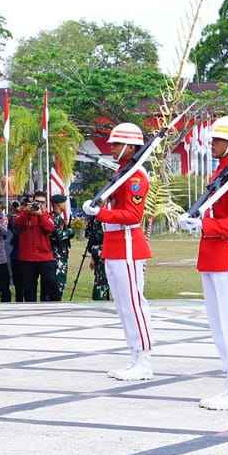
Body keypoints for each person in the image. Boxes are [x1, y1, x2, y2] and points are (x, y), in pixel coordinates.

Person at [174, 115, 228, 408]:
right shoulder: (222, 172)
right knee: (219, 324)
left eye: (218, 139)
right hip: (212, 255)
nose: (212, 144)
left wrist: (204, 226)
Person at [87, 123, 158, 381]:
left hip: (128, 243)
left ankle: (144, 359)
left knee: (134, 305)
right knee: (123, 306)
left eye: (117, 144)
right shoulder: (123, 172)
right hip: (115, 244)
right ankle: (135, 356)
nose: (112, 148)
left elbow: (132, 215)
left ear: (130, 147)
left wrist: (100, 212)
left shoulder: (136, 176)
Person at [11, 191, 55, 302]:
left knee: (49, 285)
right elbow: (17, 224)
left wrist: (41, 215)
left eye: (42, 202)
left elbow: (49, 228)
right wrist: (27, 211)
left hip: (45, 257)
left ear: (46, 204)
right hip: (27, 258)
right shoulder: (24, 214)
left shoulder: (47, 215)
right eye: (37, 202)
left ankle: (47, 310)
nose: (39, 205)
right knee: (29, 291)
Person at [45, 193, 72, 301]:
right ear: (59, 204)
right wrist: (70, 231)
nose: (65, 204)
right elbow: (58, 236)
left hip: (61, 256)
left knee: (59, 285)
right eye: (64, 202)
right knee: (57, 286)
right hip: (56, 257)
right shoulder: (54, 218)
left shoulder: (57, 218)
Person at [84, 214, 110, 301]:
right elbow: (90, 236)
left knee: (100, 280)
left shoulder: (94, 217)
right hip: (102, 251)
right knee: (101, 281)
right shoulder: (99, 217)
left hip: (99, 251)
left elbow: (89, 236)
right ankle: (100, 301)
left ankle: (101, 300)